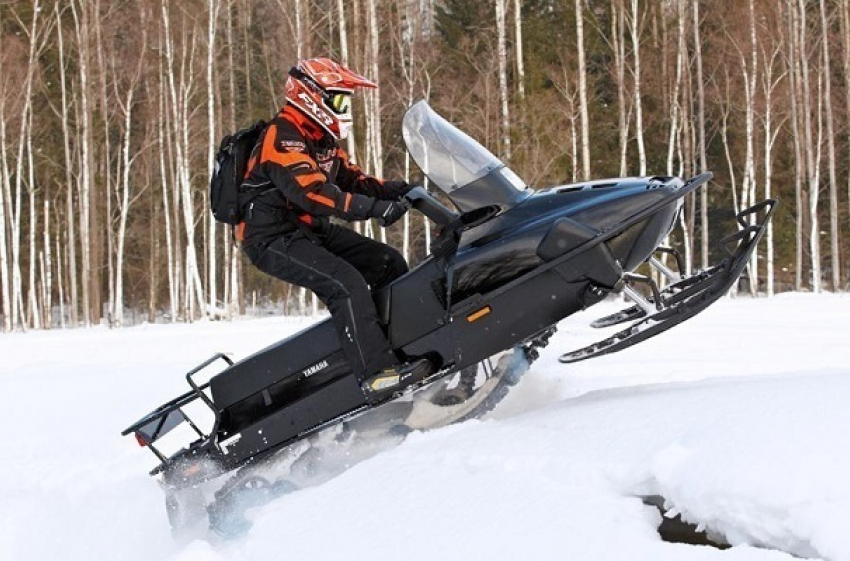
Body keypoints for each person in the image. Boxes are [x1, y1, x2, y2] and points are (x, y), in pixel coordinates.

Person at [237, 57, 432, 404]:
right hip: (270, 238)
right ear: (312, 96)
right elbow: (313, 193)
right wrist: (374, 210)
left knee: (386, 262)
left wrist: (398, 190)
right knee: (345, 283)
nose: (344, 108)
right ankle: (375, 375)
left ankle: (400, 344)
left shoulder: (320, 138)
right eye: (339, 100)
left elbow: (352, 179)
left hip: (307, 229)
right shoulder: (283, 138)